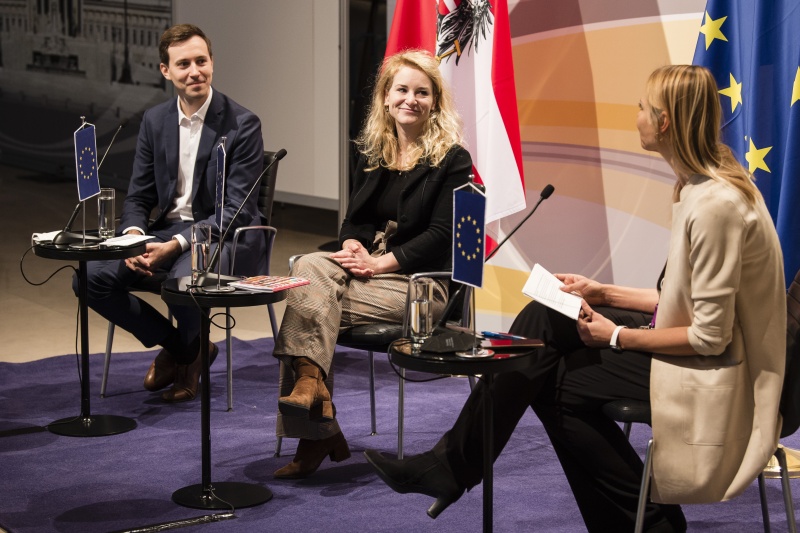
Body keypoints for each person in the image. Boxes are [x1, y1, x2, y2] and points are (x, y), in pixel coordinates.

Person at [365, 64, 787, 532]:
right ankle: (640, 520)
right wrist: (601, 291)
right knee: (545, 317)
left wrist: (617, 336)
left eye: (643, 108)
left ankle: (645, 521)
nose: (637, 116)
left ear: (664, 123)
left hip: (722, 368)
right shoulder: (698, 188)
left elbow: (710, 336)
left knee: (550, 381)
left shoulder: (715, 207)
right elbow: (677, 298)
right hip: (696, 345)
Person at [272, 49, 472, 479]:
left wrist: (379, 263)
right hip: (368, 271)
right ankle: (315, 404)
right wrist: (350, 247)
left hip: (421, 286)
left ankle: (315, 427)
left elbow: (443, 236)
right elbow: (356, 220)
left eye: (422, 92)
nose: (410, 99)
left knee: (304, 301)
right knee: (311, 266)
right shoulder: (374, 152)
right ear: (385, 96)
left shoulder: (452, 160)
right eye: (401, 90)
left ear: (435, 101)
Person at [74, 24, 265, 403]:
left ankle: (188, 351)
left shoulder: (242, 124)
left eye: (201, 61)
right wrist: (132, 237)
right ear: (166, 71)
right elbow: (139, 196)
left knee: (184, 282)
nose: (195, 71)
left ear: (212, 63)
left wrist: (175, 245)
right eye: (183, 64)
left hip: (221, 235)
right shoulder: (154, 120)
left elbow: (236, 211)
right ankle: (183, 348)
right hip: (166, 231)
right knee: (89, 278)